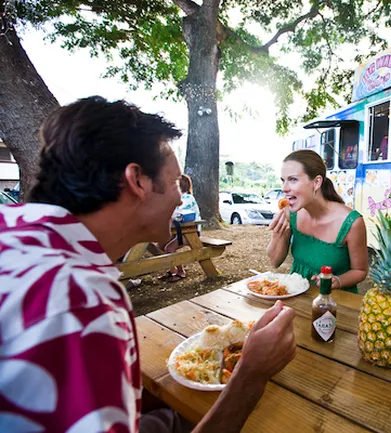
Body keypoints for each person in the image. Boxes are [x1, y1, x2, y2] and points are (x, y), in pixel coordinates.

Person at [0, 96, 296, 433]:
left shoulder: (12, 230)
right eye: (173, 182)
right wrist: (250, 376)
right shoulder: (81, 302)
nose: (178, 197)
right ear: (137, 180)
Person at [266, 149, 368, 293]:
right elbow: (274, 262)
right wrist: (278, 233)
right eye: (283, 181)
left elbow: (360, 271)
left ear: (316, 182)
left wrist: (337, 281)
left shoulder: (351, 223)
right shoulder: (291, 214)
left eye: (293, 180)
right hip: (297, 296)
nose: (284, 188)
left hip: (335, 303)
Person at [161, 174, 201, 281]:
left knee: (169, 248)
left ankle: (180, 271)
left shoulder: (187, 198)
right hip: (179, 231)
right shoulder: (178, 198)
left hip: (190, 232)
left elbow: (177, 215)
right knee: (160, 245)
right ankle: (173, 269)